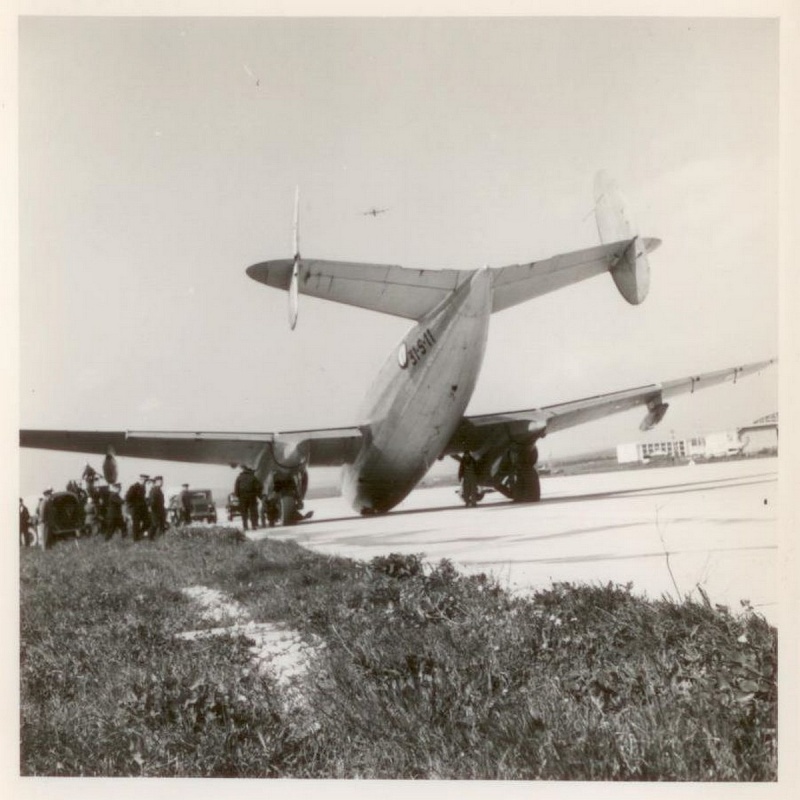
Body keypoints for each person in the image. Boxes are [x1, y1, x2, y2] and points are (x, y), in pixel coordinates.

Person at [234, 466, 262, 531]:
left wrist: (238, 496)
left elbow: (236, 488)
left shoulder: (239, 478)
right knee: (253, 511)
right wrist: (259, 495)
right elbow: (258, 487)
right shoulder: (253, 477)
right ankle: (254, 525)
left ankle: (245, 526)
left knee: (244, 512)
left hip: (242, 497)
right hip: (252, 496)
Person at [125, 474, 150, 541]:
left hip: (142, 509)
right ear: (140, 480)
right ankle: (136, 540)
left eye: (146, 481)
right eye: (144, 480)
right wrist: (132, 506)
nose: (144, 482)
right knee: (136, 524)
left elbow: (142, 499)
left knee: (147, 522)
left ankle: (140, 533)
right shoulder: (134, 487)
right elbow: (127, 498)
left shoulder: (143, 488)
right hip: (135, 509)